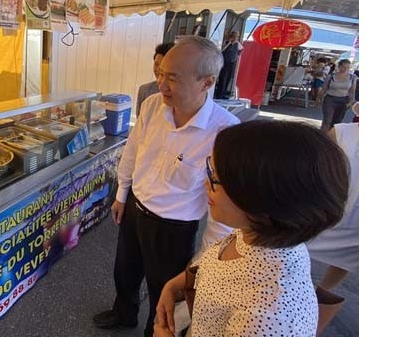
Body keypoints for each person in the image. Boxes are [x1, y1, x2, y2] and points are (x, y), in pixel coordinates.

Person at [92, 36, 240, 337]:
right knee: (125, 271)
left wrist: (208, 257)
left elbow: (223, 203)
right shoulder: (151, 105)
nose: (161, 85)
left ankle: (157, 331)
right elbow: (133, 150)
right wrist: (122, 194)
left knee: (165, 289)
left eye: (172, 78)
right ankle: (124, 313)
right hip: (136, 205)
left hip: (175, 225)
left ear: (206, 82)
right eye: (160, 74)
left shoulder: (225, 132)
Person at [153, 120, 349, 337]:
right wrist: (174, 285)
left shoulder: (267, 317)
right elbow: (214, 264)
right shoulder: (256, 234)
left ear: (260, 202)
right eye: (211, 168)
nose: (205, 184)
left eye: (216, 178)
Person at [307, 102, 359, 321]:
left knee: (349, 257)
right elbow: (314, 169)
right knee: (290, 246)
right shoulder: (343, 132)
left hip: (359, 224)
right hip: (328, 211)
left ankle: (319, 295)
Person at [318, 59, 357, 131]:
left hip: (343, 100)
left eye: (348, 67)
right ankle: (321, 137)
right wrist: (318, 99)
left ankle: (331, 138)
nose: (345, 69)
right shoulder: (330, 76)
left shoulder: (353, 77)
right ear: (339, 67)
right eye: (343, 67)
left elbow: (352, 91)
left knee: (337, 122)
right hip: (330, 99)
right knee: (327, 121)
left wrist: (351, 101)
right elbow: (324, 89)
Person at [136, 42, 174, 116]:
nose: (159, 69)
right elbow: (140, 121)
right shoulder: (144, 90)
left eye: (163, 65)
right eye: (156, 64)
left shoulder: (177, 93)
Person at [213, 30, 243, 99]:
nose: (235, 38)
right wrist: (229, 43)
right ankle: (219, 93)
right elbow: (221, 50)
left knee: (229, 78)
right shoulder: (226, 42)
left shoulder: (237, 44)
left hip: (232, 62)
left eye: (236, 37)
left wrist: (237, 56)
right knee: (223, 77)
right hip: (225, 62)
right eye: (234, 36)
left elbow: (242, 49)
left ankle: (223, 93)